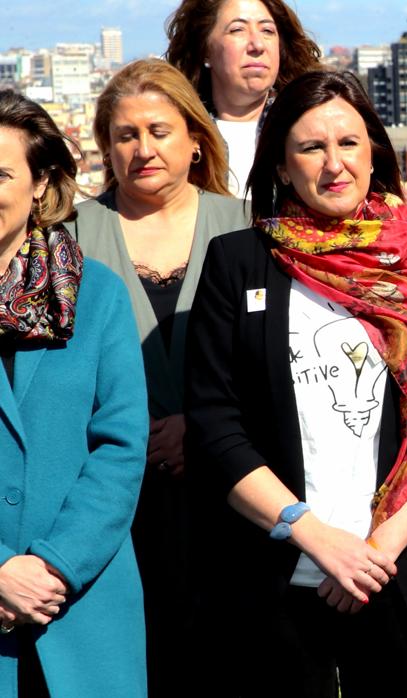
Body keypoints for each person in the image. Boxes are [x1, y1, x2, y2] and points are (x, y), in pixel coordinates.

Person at [183, 71, 407, 697]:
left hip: (397, 574)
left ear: (376, 153)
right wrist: (316, 539)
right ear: (282, 168)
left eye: (349, 143)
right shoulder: (239, 263)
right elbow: (215, 425)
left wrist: (374, 553)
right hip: (273, 580)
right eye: (311, 148)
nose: (334, 164)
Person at [64, 57, 248, 698]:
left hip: (232, 506)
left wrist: (202, 428)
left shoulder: (247, 227)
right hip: (113, 505)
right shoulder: (68, 239)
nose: (144, 149)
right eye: (125, 134)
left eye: (160, 130)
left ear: (195, 139)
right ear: (105, 148)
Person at [0, 90, 147, 696]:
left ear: (39, 184)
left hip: (79, 601)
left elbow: (120, 447)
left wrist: (52, 563)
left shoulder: (97, 293)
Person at [166, 0, 322, 196]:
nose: (257, 45)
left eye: (267, 31)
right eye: (237, 30)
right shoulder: (176, 135)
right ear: (205, 49)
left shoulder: (311, 127)